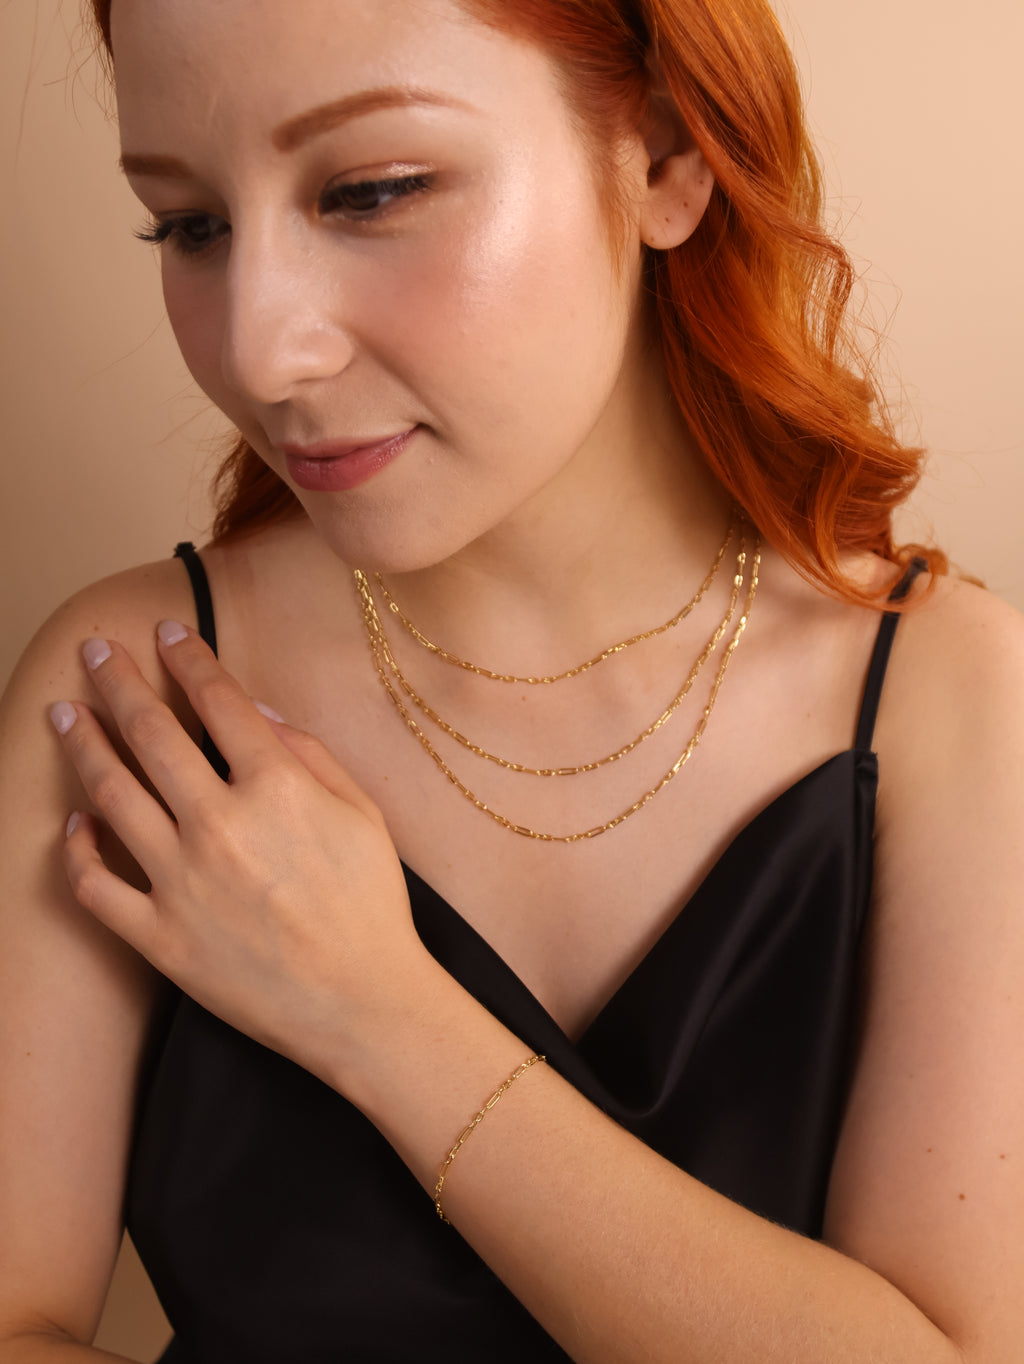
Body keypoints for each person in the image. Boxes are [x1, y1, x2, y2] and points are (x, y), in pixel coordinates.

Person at [1, 0, 1022, 1359]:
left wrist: (378, 1013)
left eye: (371, 191)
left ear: (664, 152)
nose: (260, 352)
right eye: (191, 225)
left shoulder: (953, 700)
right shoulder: (134, 693)